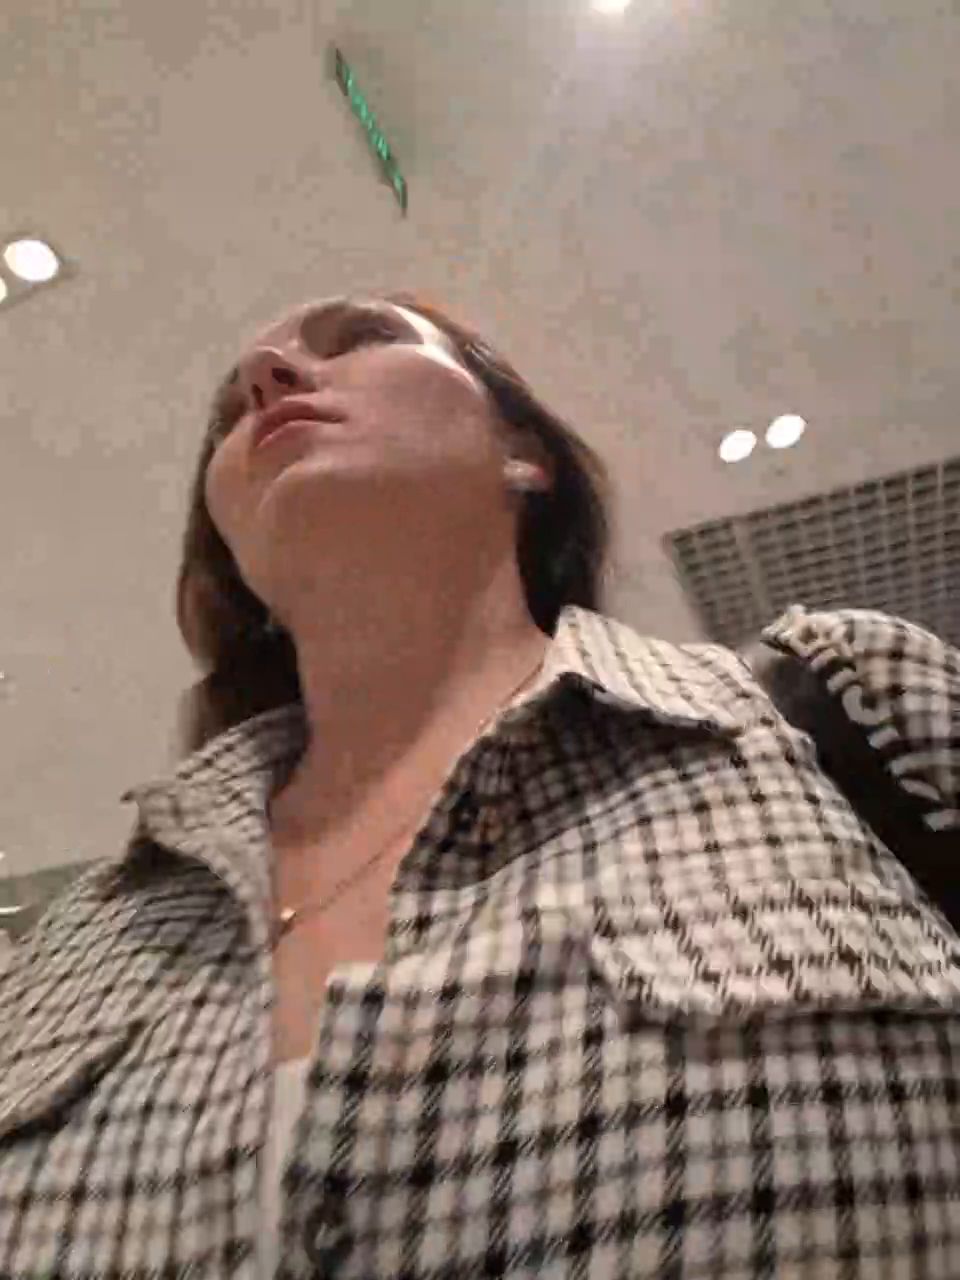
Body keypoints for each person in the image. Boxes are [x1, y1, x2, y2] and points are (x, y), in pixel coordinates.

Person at [1, 293, 959, 1280]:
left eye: (361, 337)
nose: (264, 379)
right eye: (228, 413)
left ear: (523, 454)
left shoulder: (847, 699)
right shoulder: (85, 935)